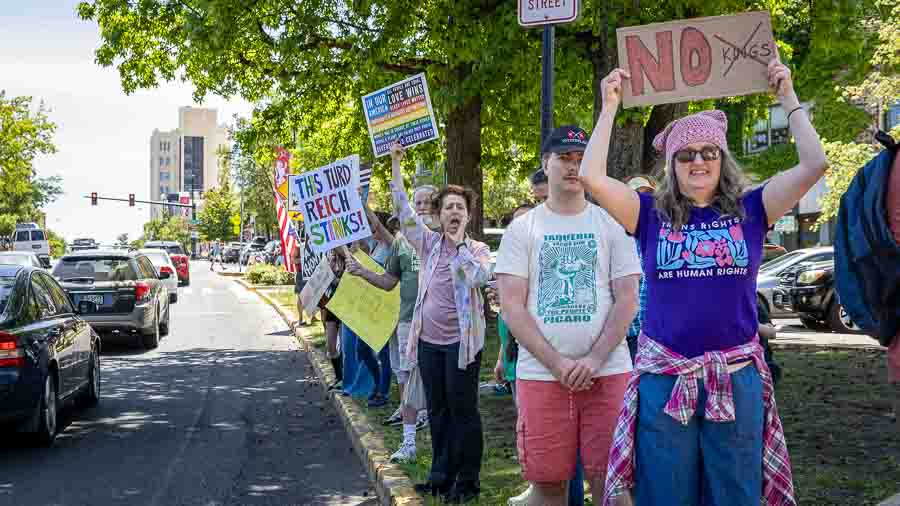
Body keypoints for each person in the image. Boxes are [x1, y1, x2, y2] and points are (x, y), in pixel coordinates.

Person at [582, 58, 827, 506]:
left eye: (708, 152)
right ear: (671, 165)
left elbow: (814, 164)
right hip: (664, 380)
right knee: (666, 495)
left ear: (722, 159)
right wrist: (609, 107)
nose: (698, 161)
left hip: (735, 379)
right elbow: (592, 177)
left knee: (734, 494)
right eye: (686, 154)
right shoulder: (648, 213)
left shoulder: (753, 208)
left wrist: (787, 97)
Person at [495, 125, 640, 506]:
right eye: (565, 158)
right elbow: (511, 305)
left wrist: (593, 359)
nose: (574, 166)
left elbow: (627, 298)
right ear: (546, 163)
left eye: (580, 159)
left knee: (613, 485)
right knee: (548, 486)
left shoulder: (611, 224)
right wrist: (558, 363)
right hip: (541, 375)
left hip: (607, 373)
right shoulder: (521, 230)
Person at [387, 141, 491, 504]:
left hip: (462, 346)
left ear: (467, 215)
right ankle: (440, 476)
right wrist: (396, 165)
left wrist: (460, 247)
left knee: (464, 412)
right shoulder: (428, 245)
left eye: (459, 207)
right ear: (439, 214)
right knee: (439, 410)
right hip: (429, 344)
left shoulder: (476, 250)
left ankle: (467, 482)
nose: (453, 212)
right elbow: (402, 209)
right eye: (448, 207)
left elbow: (478, 278)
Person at [346, 184, 438, 463]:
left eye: (427, 202)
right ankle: (409, 439)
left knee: (436, 380)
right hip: (408, 320)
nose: (421, 206)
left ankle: (434, 430)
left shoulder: (444, 237)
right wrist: (361, 272)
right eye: (417, 202)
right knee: (407, 376)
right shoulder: (400, 242)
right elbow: (388, 282)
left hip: (440, 324)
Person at [353, 206, 395, 408]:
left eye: (373, 226)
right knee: (362, 348)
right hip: (370, 304)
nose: (370, 229)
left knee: (384, 352)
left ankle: (383, 392)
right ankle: (378, 382)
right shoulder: (374, 246)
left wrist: (364, 205)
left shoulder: (390, 246)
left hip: (386, 304)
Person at [624, 176, 656, 360]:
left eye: (647, 194)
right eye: (635, 195)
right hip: (626, 337)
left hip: (658, 337)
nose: (643, 201)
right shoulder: (614, 236)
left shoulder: (666, 233)